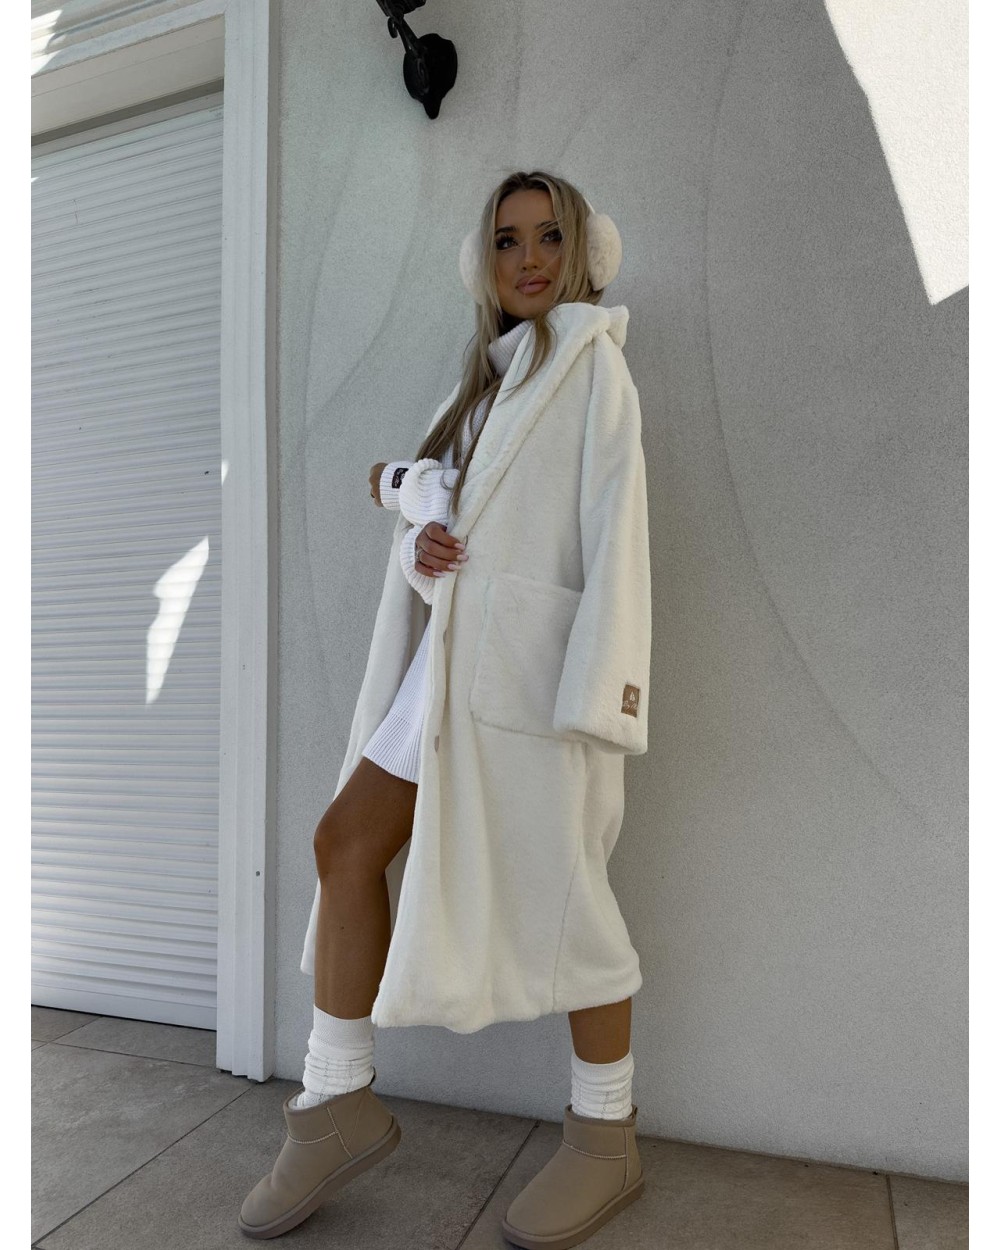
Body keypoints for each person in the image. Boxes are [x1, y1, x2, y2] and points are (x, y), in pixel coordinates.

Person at [239, 171, 652, 1248]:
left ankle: (605, 1132)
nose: (530, 258)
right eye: (508, 240)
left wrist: (604, 698)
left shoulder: (593, 367)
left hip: (535, 683)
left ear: (584, 252)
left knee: (573, 899)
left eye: (550, 236)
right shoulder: (477, 387)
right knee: (344, 843)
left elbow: (618, 538)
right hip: (445, 675)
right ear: (486, 262)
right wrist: (419, 535)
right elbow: (428, 517)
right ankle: (335, 1099)